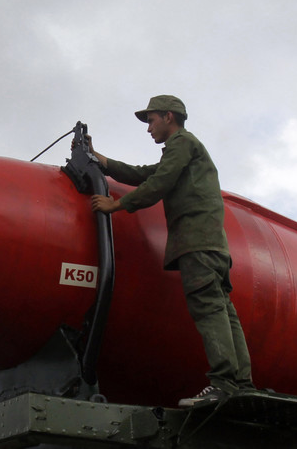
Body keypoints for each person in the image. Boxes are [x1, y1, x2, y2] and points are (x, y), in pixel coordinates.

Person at [87, 95, 254, 407]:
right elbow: (144, 174)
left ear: (168, 116)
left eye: (151, 120)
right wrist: (102, 160)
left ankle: (224, 383)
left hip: (195, 242)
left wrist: (117, 204)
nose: (148, 128)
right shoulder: (185, 149)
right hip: (211, 243)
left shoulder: (181, 143)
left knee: (207, 308)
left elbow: (160, 182)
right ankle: (240, 383)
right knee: (222, 310)